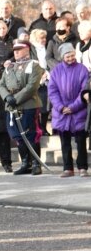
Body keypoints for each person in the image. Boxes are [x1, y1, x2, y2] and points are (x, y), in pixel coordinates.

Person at [0, 40, 45, 175]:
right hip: (11, 107)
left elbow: (32, 87)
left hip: (28, 105)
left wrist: (16, 99)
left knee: (32, 134)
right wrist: (7, 97)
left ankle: (36, 163)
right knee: (17, 136)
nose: (16, 51)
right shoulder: (10, 67)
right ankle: (26, 163)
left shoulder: (34, 65)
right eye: (15, 49)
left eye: (20, 49)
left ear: (27, 49)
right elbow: (1, 85)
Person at [48, 44, 89, 177]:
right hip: (61, 113)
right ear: (62, 57)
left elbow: (84, 90)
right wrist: (61, 107)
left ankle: (82, 167)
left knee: (81, 141)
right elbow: (52, 92)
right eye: (68, 56)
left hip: (78, 111)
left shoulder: (82, 69)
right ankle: (68, 168)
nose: (71, 58)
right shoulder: (56, 71)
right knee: (65, 142)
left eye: (72, 55)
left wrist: (73, 107)